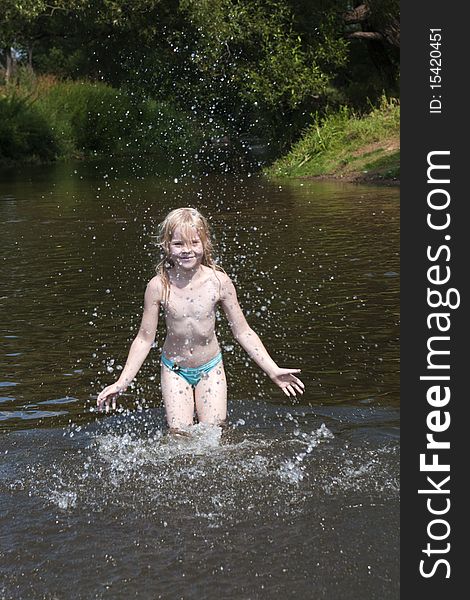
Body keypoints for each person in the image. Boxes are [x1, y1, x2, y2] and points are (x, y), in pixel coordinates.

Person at [97, 207, 304, 433]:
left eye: (194, 243)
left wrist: (272, 369)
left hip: (210, 368)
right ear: (166, 246)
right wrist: (122, 382)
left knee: (214, 431)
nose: (187, 251)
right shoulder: (158, 286)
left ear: (205, 244)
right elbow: (144, 340)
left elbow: (243, 331)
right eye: (178, 244)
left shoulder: (219, 282)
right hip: (174, 369)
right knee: (179, 432)